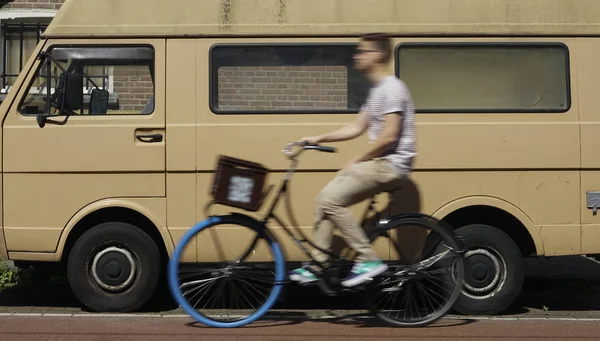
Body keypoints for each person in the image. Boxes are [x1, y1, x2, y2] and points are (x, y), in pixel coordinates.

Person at [288, 33, 417, 288]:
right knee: (324, 199)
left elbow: (390, 135)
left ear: (378, 55)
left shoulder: (391, 88)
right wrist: (318, 138)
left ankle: (369, 260)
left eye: (363, 51)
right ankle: (318, 264)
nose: (357, 56)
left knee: (329, 199)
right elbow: (356, 127)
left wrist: (358, 158)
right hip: (381, 161)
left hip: (391, 163)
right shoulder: (377, 91)